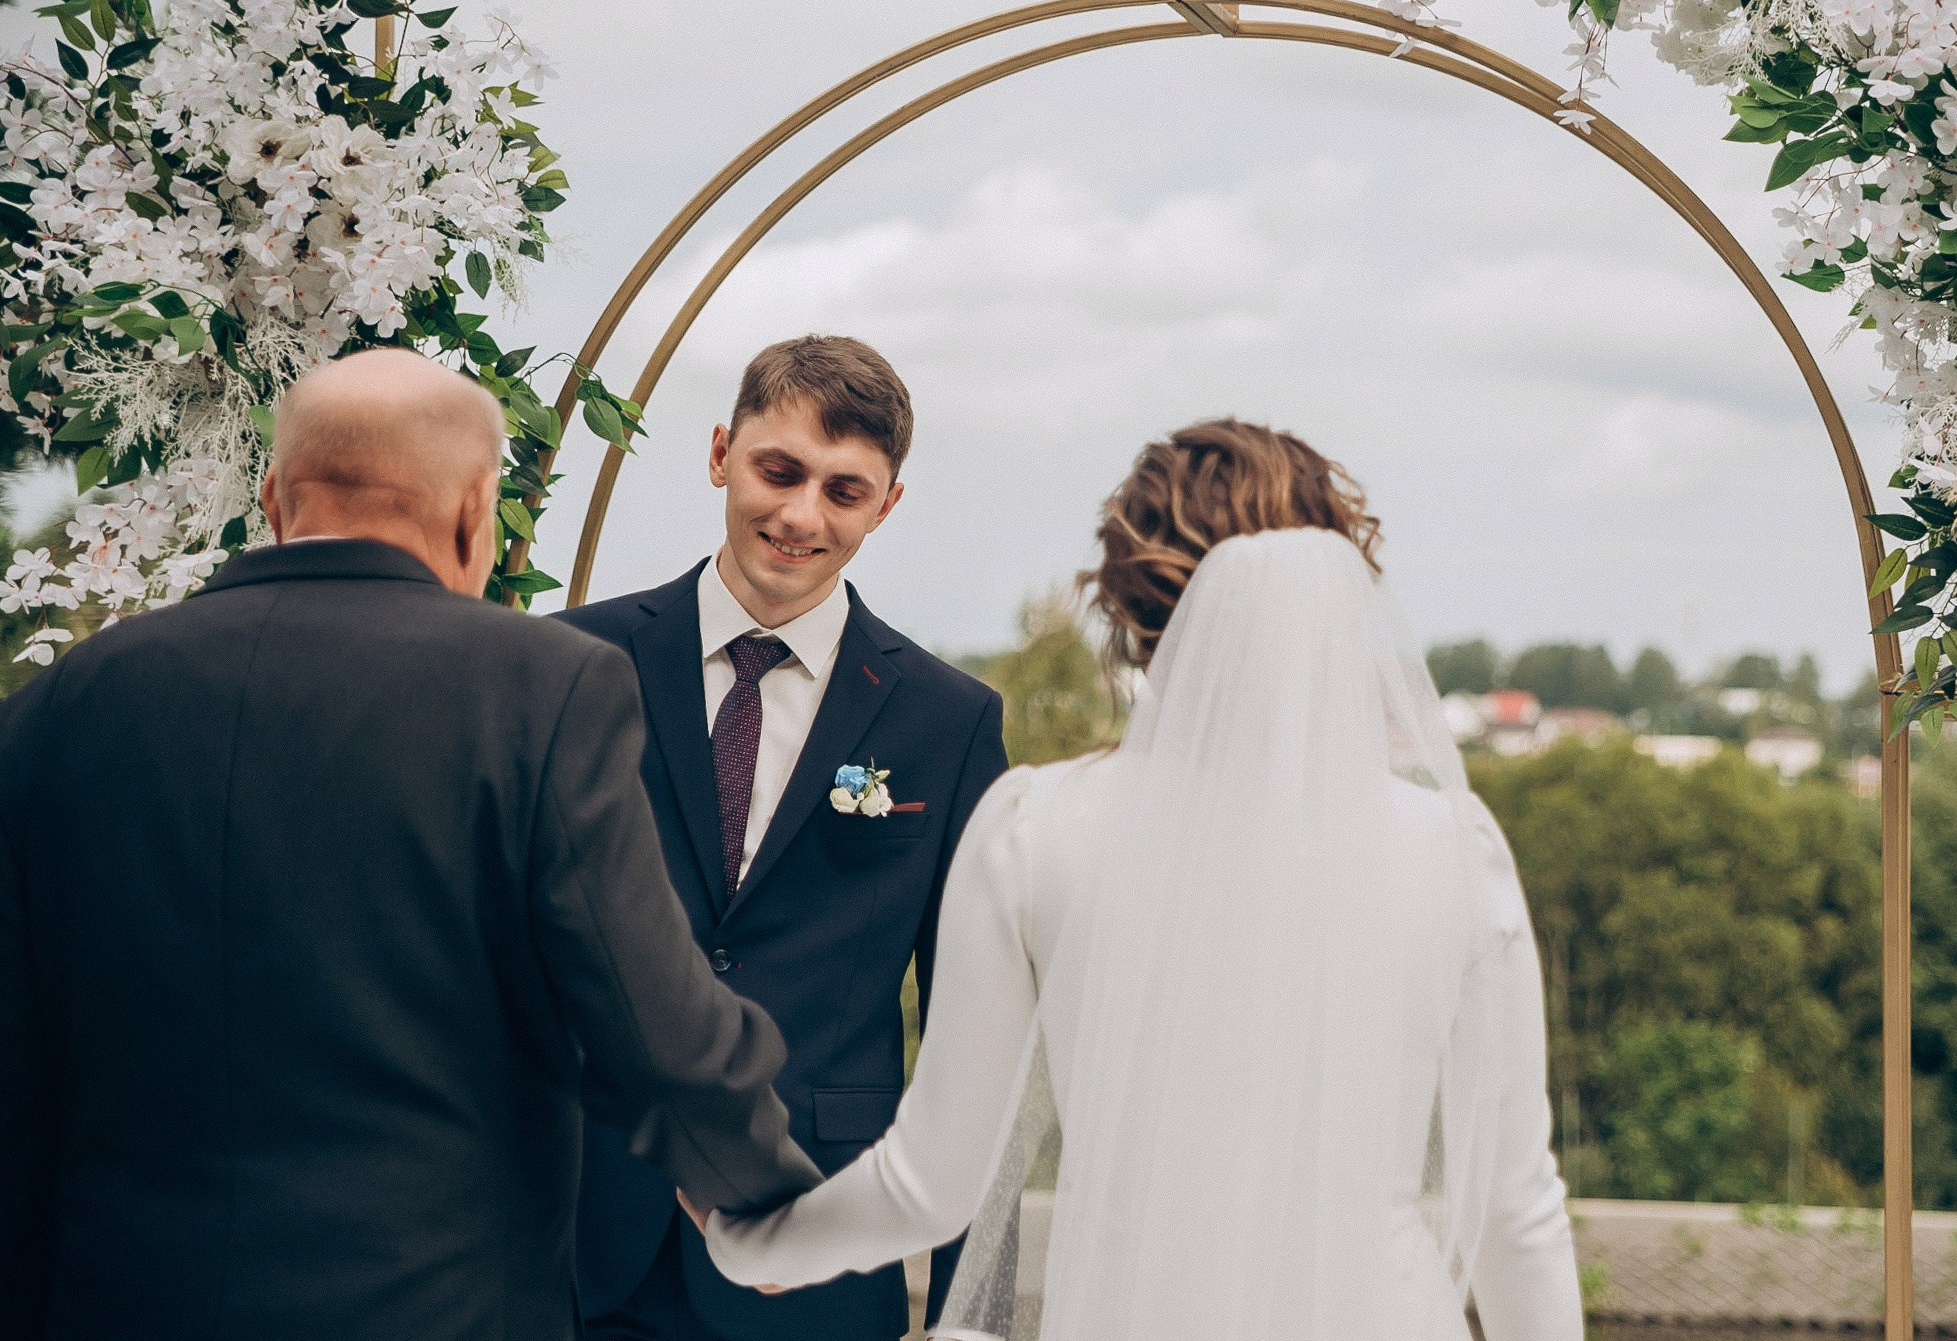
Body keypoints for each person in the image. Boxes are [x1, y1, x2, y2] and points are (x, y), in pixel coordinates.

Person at [689, 419, 1582, 1341]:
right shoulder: (1457, 850)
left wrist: (750, 1245)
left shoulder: (1036, 833)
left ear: (1126, 609)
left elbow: (932, 1185)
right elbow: (1520, 1214)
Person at [0, 349, 818, 1341]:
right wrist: (759, 1187)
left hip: (113, 1302)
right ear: (477, 510)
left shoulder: (64, 706)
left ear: (272, 498)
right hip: (430, 1304)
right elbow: (645, 1011)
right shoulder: (542, 690)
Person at [562, 336, 1006, 1341]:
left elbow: (976, 1034)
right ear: (721, 451)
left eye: (845, 491)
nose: (803, 515)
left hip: (822, 1244)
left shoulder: (950, 720)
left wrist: (969, 1309)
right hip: (579, 1236)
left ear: (887, 504)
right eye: (779, 470)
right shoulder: (567, 662)